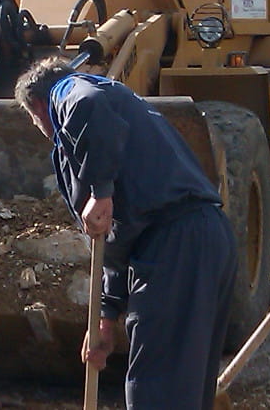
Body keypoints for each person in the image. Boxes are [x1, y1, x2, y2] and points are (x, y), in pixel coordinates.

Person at [15, 57, 238, 410]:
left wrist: (100, 192)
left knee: (157, 389)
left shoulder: (69, 91)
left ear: (38, 106)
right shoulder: (121, 105)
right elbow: (117, 238)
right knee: (184, 389)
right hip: (203, 236)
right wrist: (106, 316)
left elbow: (88, 106)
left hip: (175, 242)